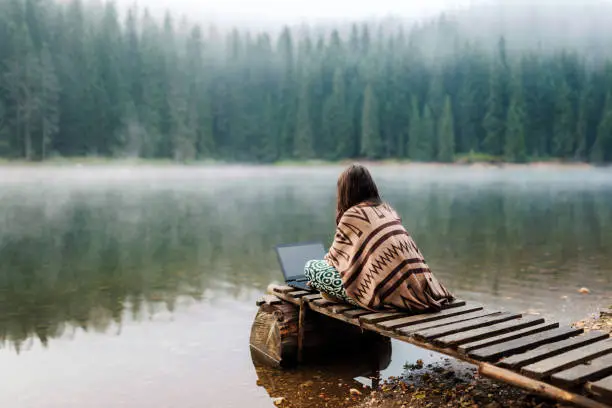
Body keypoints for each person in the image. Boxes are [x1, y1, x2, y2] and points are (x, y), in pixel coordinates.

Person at [304, 164, 454, 312]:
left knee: (311, 267)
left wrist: (319, 279)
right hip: (418, 288)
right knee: (329, 279)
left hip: (383, 294)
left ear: (345, 192)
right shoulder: (387, 209)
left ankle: (335, 294)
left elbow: (333, 260)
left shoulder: (352, 215)